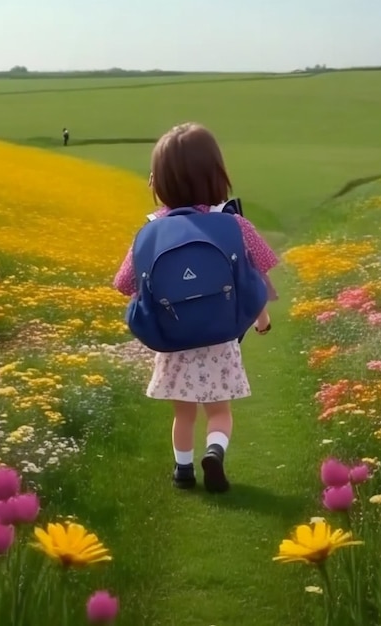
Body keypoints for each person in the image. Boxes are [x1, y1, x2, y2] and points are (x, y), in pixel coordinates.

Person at [113, 122, 278, 493]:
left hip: (174, 341)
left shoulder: (150, 231)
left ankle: (183, 470)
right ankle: (215, 452)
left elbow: (124, 284)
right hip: (221, 341)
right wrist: (262, 322)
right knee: (219, 411)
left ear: (158, 182)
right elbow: (259, 275)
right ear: (218, 175)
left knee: (182, 412)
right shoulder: (234, 224)